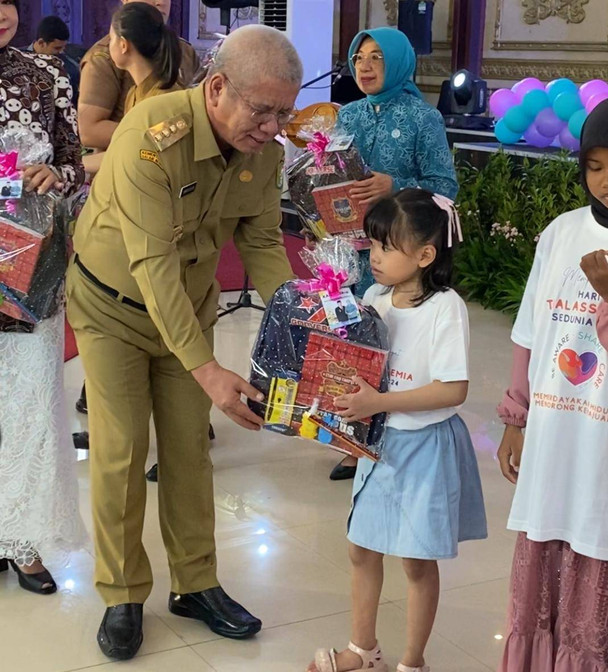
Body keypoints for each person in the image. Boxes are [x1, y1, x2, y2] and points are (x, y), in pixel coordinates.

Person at [66, 24, 301, 661]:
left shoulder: (265, 151)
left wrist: (299, 321)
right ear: (217, 88)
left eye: (285, 111)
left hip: (186, 311)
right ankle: (121, 592)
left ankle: (195, 584)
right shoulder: (151, 135)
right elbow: (152, 264)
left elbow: (261, 241)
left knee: (188, 452)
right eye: (263, 110)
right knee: (120, 451)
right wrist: (209, 369)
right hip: (112, 306)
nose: (274, 126)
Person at [308, 190, 487, 672]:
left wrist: (379, 402)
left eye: (386, 247)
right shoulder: (371, 298)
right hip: (376, 444)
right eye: (372, 245)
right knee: (361, 548)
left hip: (424, 448)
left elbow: (453, 390)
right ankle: (363, 650)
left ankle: (412, 661)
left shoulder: (445, 308)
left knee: (415, 560)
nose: (375, 257)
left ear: (425, 256)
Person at [496, 95, 608, 671]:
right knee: (544, 564)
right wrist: (515, 419)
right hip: (556, 439)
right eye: (596, 165)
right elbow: (531, 331)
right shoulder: (561, 231)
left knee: (599, 569)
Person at [330, 27, 458, 481]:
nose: (365, 66)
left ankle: (395, 428)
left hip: (400, 255)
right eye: (359, 57)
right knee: (352, 341)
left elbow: (446, 189)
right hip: (349, 250)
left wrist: (397, 186)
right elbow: (331, 181)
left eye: (377, 57)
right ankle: (352, 436)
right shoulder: (347, 116)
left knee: (394, 346)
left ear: (400, 62)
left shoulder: (424, 119)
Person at [72, 1, 184, 476]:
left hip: (152, 227)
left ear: (122, 45)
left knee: (163, 323)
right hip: (136, 222)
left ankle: (172, 440)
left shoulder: (159, 101)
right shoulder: (146, 92)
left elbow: (140, 151)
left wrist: (72, 166)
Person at [0, 0, 86, 595]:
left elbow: (78, 165)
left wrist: (54, 177)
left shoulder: (46, 76)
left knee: (31, 395)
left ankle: (24, 537)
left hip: (31, 256)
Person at [77, 0, 199, 152]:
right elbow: (89, 131)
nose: (160, 2)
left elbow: (174, 137)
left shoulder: (184, 52)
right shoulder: (103, 58)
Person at [25, 15, 80, 106]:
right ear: (41, 43)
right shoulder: (14, 61)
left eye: (63, 47)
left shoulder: (70, 68)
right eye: (57, 48)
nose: (61, 52)